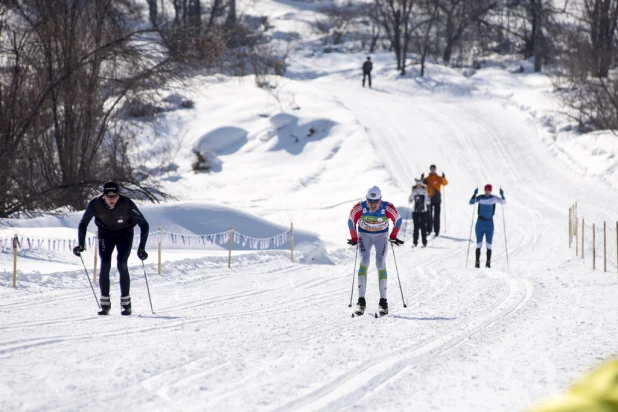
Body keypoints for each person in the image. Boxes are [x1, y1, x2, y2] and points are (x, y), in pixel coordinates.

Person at [73, 182, 150, 316]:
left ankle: (126, 304)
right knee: (105, 264)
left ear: (118, 195)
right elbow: (83, 224)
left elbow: (144, 224)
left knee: (121, 263)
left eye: (115, 196)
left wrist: (141, 248)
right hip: (105, 234)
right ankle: (105, 305)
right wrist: (81, 244)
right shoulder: (95, 204)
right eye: (109, 197)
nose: (112, 199)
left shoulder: (127, 203)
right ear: (103, 196)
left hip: (124, 233)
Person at [347, 185, 403, 316]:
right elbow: (351, 221)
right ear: (366, 199)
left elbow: (398, 220)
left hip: (381, 236)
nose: (373, 205)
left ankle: (383, 302)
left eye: (376, 201)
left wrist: (393, 236)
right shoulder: (359, 208)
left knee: (380, 262)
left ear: (380, 200)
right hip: (364, 235)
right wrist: (354, 238)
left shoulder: (388, 207)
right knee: (365, 260)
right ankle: (361, 301)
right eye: (370, 201)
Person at [469, 184, 506, 268]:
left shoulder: (493, 198)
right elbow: (471, 202)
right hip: (480, 223)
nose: (487, 192)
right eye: (486, 190)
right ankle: (477, 262)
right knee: (479, 243)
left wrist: (502, 195)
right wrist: (474, 194)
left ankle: (488, 263)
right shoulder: (480, 198)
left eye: (489, 190)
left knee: (489, 244)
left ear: (491, 191)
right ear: (484, 190)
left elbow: (503, 202)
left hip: (489, 223)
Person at [422, 164, 448, 237]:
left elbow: (445, 184)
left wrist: (443, 178)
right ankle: (429, 230)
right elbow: (422, 185)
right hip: (429, 198)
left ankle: (437, 231)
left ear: (435, 169)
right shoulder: (427, 179)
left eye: (434, 169)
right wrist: (422, 179)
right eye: (431, 169)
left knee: (437, 215)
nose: (433, 170)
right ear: (430, 169)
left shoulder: (439, 178)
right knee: (429, 215)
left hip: (437, 199)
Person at [408, 179, 430, 247]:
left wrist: (428, 199)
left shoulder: (424, 191)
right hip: (416, 212)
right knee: (416, 227)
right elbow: (410, 199)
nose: (419, 186)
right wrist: (410, 199)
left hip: (423, 212)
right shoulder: (414, 192)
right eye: (417, 185)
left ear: (421, 185)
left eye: (420, 185)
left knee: (423, 227)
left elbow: (428, 201)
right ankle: (415, 242)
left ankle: (424, 242)